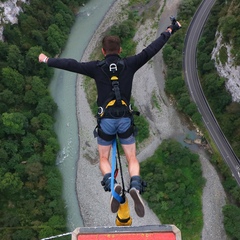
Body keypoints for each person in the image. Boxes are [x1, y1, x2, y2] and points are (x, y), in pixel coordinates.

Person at [39, 20, 181, 218]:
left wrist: (47, 60)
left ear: (103, 52)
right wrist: (169, 30)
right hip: (125, 119)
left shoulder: (96, 67)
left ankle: (112, 183)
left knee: (103, 158)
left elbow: (71, 64)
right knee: (131, 157)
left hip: (106, 120)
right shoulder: (130, 63)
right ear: (120, 50)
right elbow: (152, 49)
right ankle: (136, 186)